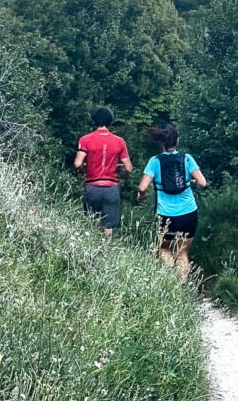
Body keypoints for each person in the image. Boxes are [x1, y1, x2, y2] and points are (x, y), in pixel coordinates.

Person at [136, 123, 207, 281]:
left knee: (164, 249)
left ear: (161, 142)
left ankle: (170, 285)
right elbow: (202, 182)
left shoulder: (155, 161)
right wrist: (191, 182)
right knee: (182, 252)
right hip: (189, 213)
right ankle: (182, 287)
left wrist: (141, 196)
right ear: (178, 141)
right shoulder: (187, 159)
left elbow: (142, 187)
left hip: (166, 215)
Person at [74, 106, 133, 237]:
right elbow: (128, 168)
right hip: (111, 188)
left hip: (92, 186)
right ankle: (106, 250)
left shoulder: (85, 139)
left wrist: (86, 169)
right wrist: (118, 169)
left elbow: (78, 163)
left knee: (91, 223)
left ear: (94, 120)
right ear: (110, 121)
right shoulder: (119, 141)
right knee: (108, 227)